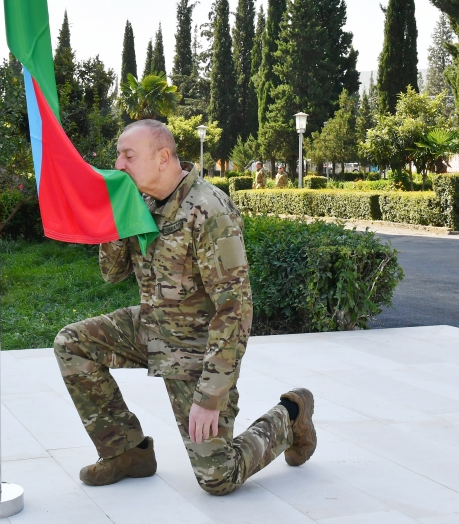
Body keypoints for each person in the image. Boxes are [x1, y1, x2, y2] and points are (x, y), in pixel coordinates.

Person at [54, 120, 316, 495]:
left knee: (217, 477)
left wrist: (210, 397)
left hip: (196, 348)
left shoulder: (209, 210)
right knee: (72, 342)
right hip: (150, 326)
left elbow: (235, 308)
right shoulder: (139, 202)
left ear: (163, 157)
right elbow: (112, 274)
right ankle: (127, 452)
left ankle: (291, 416)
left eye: (128, 155)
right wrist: (114, 216)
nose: (119, 164)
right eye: (118, 155)